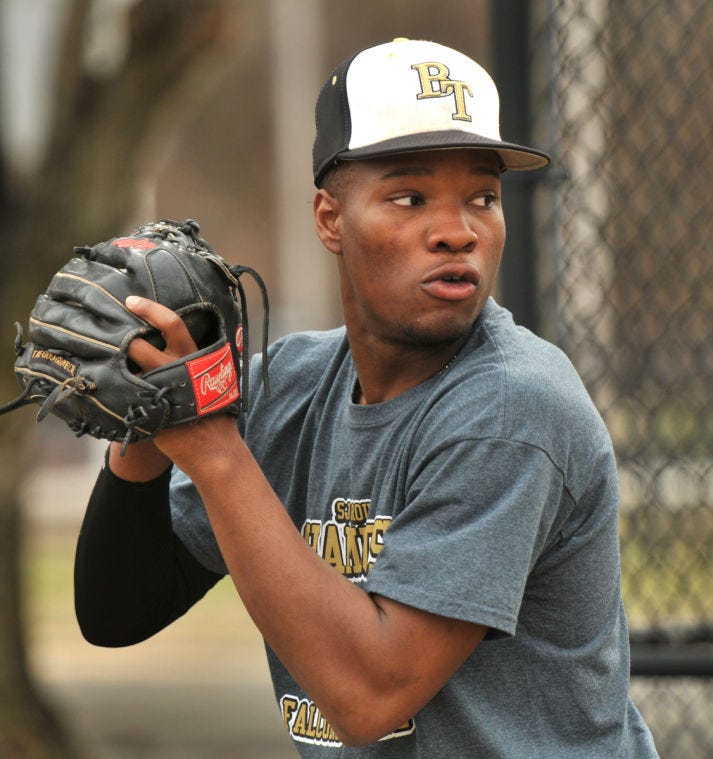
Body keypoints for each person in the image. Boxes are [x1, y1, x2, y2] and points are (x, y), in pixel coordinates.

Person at [74, 38, 659, 757]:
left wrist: (212, 447)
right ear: (328, 219)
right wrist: (148, 418)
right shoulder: (289, 384)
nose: (457, 231)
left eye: (482, 196)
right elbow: (116, 611)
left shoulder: (512, 409)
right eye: (409, 197)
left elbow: (367, 698)